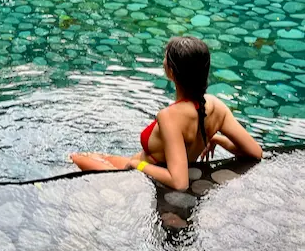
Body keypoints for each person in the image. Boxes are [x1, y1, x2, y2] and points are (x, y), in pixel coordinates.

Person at [71, 36, 263, 190]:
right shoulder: (217, 106)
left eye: (166, 58)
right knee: (92, 156)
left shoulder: (170, 116)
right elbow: (255, 152)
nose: (163, 61)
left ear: (171, 71)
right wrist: (217, 139)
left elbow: (179, 182)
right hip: (142, 162)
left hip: (143, 173)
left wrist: (139, 166)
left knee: (74, 159)